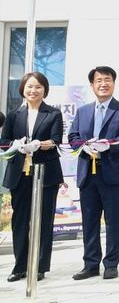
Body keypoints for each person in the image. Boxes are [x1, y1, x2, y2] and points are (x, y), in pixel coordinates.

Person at [68, 66, 119, 280]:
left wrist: (108, 146)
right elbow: (72, 137)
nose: (103, 84)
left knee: (113, 220)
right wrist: (84, 146)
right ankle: (90, 264)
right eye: (99, 80)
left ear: (114, 83)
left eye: (107, 80)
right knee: (89, 221)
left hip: (111, 172)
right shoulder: (83, 111)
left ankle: (111, 264)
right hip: (87, 172)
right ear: (92, 85)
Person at [1, 72, 63, 282]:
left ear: (44, 90)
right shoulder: (13, 115)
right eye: (29, 87)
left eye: (38, 87)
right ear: (23, 89)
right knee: (20, 221)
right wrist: (16, 145)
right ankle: (20, 266)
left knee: (44, 220)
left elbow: (55, 140)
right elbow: (4, 141)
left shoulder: (53, 114)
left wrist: (38, 145)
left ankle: (39, 266)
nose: (33, 91)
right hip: (20, 174)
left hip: (46, 173)